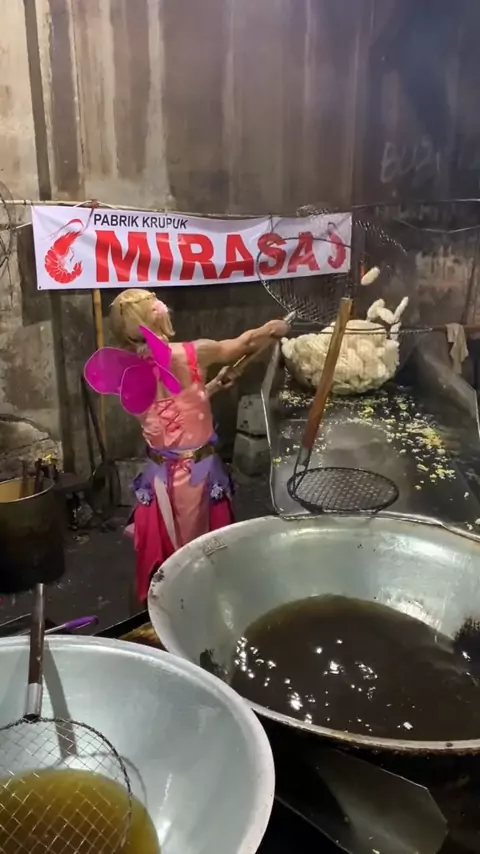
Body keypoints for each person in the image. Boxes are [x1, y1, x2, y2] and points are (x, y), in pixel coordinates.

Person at [88, 288, 289, 608]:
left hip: (160, 481)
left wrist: (211, 386)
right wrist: (273, 328)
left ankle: (154, 621)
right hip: (200, 476)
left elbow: (172, 408)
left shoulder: (126, 372)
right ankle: (202, 614)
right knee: (208, 559)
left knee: (157, 568)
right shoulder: (194, 353)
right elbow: (245, 344)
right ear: (159, 316)